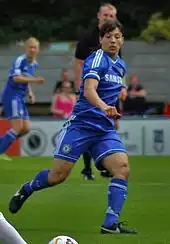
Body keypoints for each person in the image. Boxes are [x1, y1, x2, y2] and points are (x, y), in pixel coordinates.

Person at [9, 21, 136, 234]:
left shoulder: (120, 65)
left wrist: (116, 104)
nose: (113, 40)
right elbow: (88, 90)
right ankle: (27, 189)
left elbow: (113, 91)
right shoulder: (96, 59)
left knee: (122, 169)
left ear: (122, 40)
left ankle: (110, 224)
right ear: (100, 40)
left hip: (103, 129)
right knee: (57, 176)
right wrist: (105, 107)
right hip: (81, 125)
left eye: (117, 37)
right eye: (109, 36)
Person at [74, 2, 119, 180]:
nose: (108, 18)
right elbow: (78, 64)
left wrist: (121, 87)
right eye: (105, 15)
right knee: (88, 126)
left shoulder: (115, 39)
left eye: (111, 16)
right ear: (99, 16)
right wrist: (80, 87)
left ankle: (105, 163)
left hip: (109, 91)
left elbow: (117, 66)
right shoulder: (87, 39)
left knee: (111, 124)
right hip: (91, 91)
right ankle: (87, 169)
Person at [0, 37, 45, 159]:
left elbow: (26, 78)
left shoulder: (34, 63)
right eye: (30, 47)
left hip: (20, 97)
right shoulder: (20, 60)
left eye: (34, 47)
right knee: (18, 127)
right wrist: (35, 80)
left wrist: (30, 92)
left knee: (25, 129)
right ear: (26, 48)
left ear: (38, 50)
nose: (32, 49)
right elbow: (16, 78)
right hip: (12, 95)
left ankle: (2, 145)